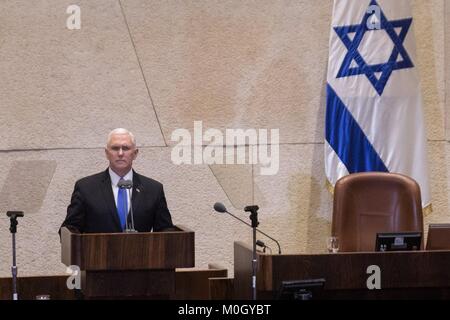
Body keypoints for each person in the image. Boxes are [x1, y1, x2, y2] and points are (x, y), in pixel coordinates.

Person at [60, 128, 174, 233]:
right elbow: (71, 228)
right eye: (115, 148)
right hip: (97, 254)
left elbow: (165, 230)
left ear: (135, 154)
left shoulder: (153, 189)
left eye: (125, 148)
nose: (120, 153)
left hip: (140, 255)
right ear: (106, 153)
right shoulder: (85, 187)